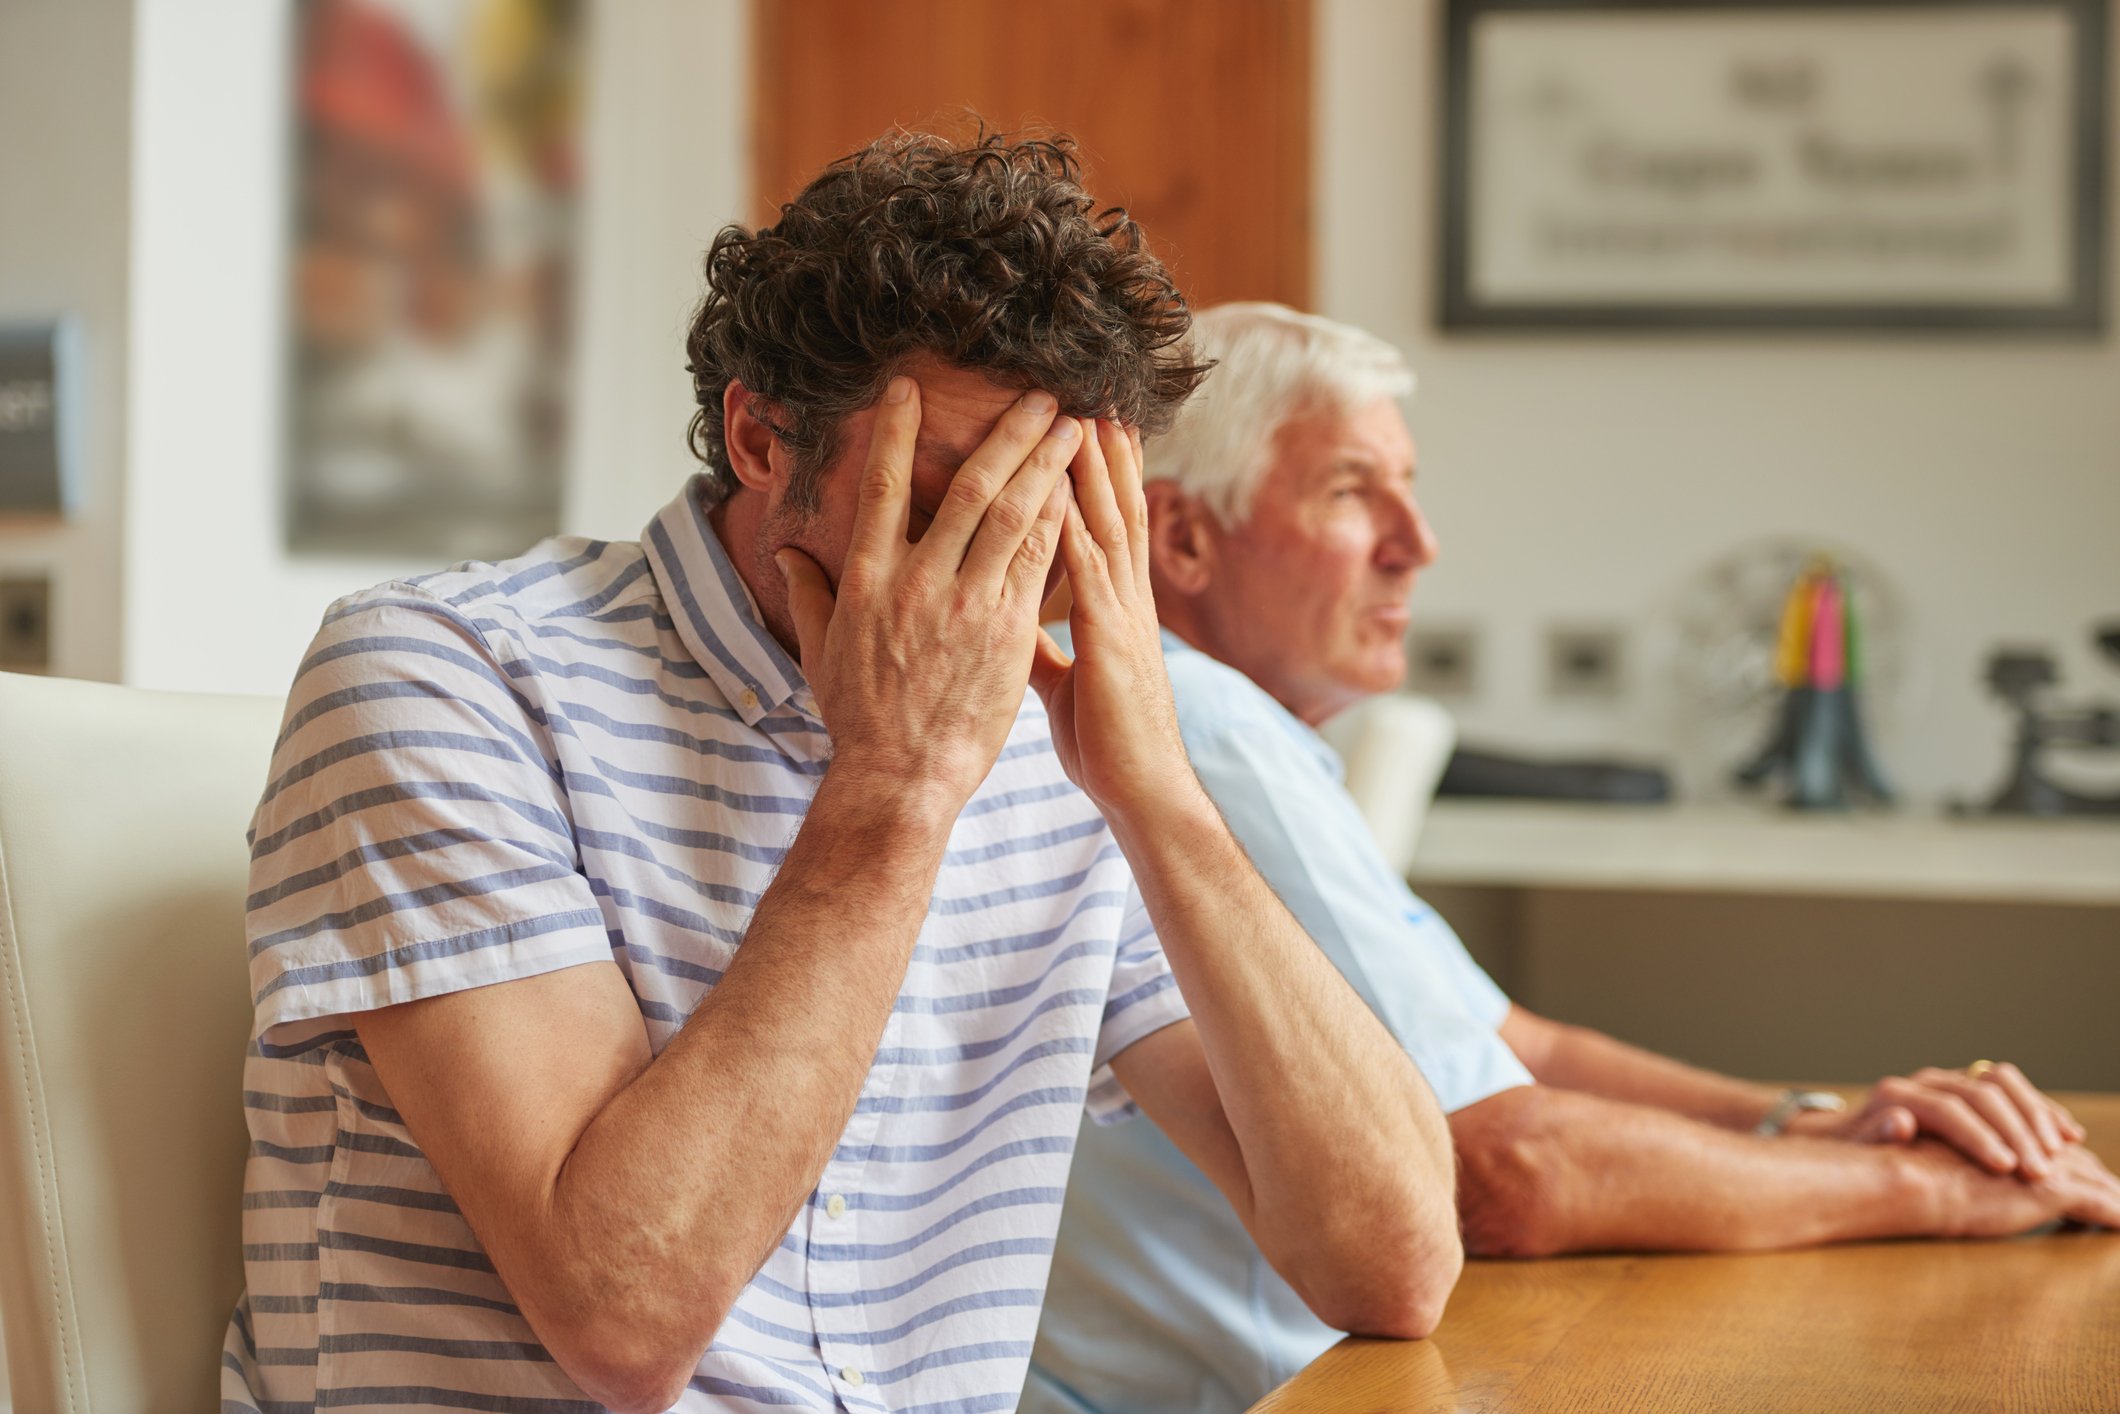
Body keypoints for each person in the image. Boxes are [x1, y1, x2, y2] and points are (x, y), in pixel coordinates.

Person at [220, 142, 1461, 1414]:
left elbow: (1393, 1265)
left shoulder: (1053, 747)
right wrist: (894, 786)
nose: (1016, 564)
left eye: (1066, 506)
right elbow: (622, 1317)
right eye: (963, 495)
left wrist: (1160, 799)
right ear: (763, 437)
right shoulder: (446, 677)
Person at [1023, 302, 2120, 1414]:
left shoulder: (1234, 727)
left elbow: (1514, 1044)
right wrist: (1919, 1188)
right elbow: (1503, 1168)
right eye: (1352, 491)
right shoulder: (1195, 724)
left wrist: (1803, 1120)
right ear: (1184, 540)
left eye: (1408, 484)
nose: (1418, 539)